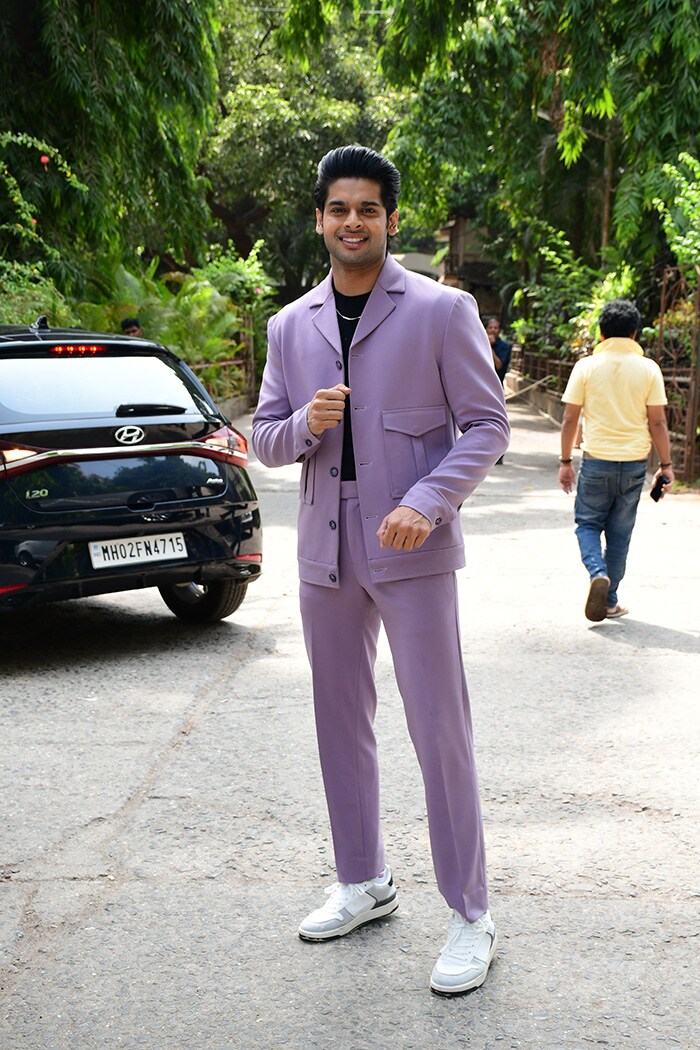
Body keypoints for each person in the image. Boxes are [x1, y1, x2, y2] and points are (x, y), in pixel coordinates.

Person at [251, 145, 509, 996]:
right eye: (337, 209)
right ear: (320, 219)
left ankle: (471, 913)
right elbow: (264, 438)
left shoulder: (441, 310)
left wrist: (427, 500)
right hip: (326, 548)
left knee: (440, 730)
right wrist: (307, 424)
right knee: (338, 722)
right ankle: (364, 880)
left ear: (391, 220)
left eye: (368, 209)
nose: (352, 222)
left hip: (411, 546)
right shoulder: (291, 327)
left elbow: (486, 426)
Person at [558, 298, 674, 621]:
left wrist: (565, 460)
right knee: (620, 535)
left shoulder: (586, 367)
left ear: (601, 333)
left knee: (587, 523)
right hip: (635, 464)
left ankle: (597, 572)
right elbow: (658, 423)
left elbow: (569, 419)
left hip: (596, 462)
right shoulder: (649, 369)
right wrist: (665, 466)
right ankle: (609, 599)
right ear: (635, 333)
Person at [484, 317, 511, 463]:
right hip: (480, 387)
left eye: (496, 328)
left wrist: (490, 348)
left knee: (497, 421)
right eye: (490, 328)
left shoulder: (504, 346)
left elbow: (499, 365)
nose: (493, 330)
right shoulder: (477, 342)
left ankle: (498, 456)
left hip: (497, 388)